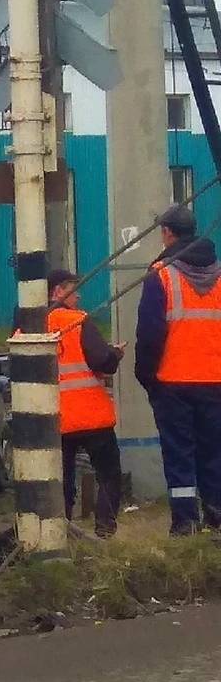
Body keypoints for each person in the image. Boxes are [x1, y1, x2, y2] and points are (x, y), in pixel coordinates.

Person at [136, 204, 221, 535]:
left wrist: (147, 376)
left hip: (172, 382)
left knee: (179, 456)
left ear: (168, 233)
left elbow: (150, 335)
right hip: (215, 381)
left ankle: (185, 524)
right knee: (214, 453)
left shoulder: (161, 273)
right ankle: (215, 519)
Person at [46, 269, 125, 538]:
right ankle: (104, 530)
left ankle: (61, 530)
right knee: (108, 473)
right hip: (90, 415)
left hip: (52, 420)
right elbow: (103, 361)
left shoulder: (29, 325)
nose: (78, 294)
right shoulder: (79, 322)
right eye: (72, 288)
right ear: (58, 291)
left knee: (60, 479)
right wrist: (115, 353)